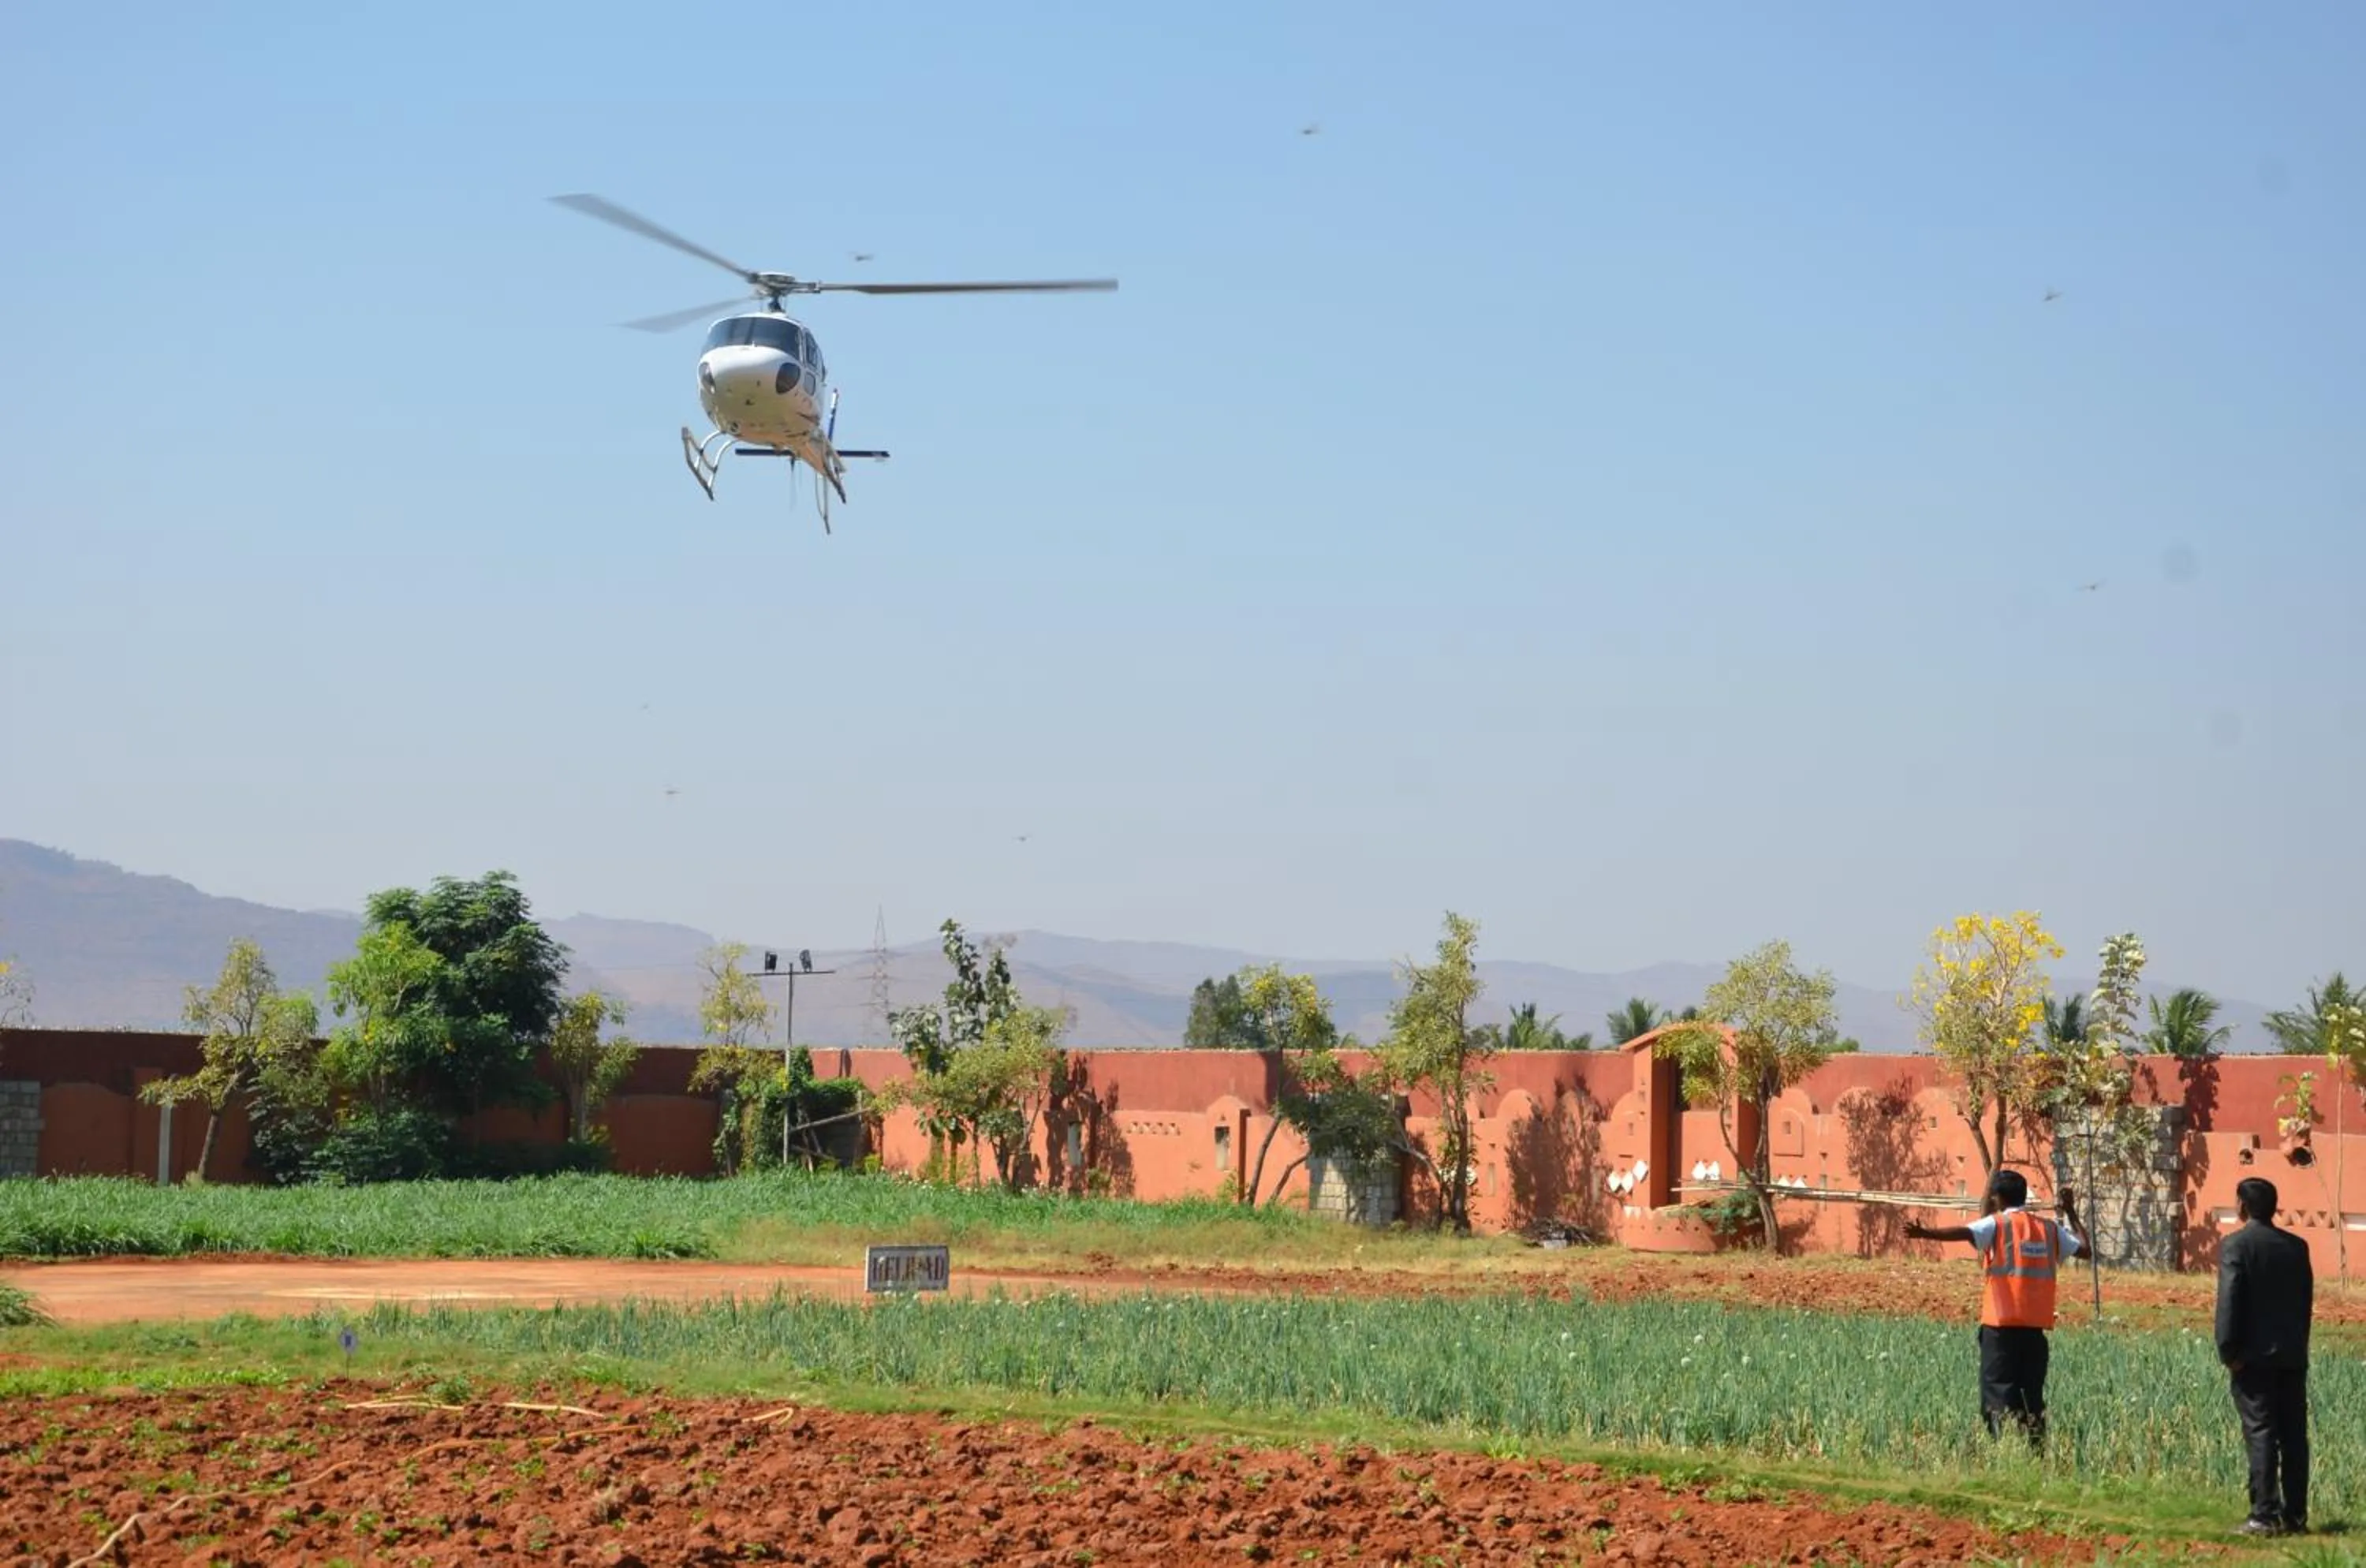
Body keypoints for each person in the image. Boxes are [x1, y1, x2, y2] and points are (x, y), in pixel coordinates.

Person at [1903, 1168, 2084, 1447]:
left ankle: (2000, 1452)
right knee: (2031, 1399)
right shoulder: (2049, 1229)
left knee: (1997, 1397)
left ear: (1998, 1198)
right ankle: (2036, 1454)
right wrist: (2071, 1211)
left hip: (2000, 1330)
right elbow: (2086, 1249)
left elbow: (1964, 1232)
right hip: (2035, 1332)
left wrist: (1926, 1232)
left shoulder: (1997, 1224)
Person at [2215, 1175, 2314, 1537]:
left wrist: (2229, 1352)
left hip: (2253, 1360)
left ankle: (2264, 1515)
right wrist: (2299, 1347)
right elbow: (2305, 1302)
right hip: (2291, 1356)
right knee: (2293, 1437)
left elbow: (2230, 1301)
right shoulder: (2296, 1247)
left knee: (2260, 1433)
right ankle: (2296, 1517)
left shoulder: (2236, 1246)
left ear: (2242, 1206)